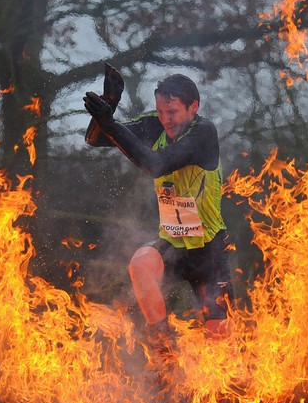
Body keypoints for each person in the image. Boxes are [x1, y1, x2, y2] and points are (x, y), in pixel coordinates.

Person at [83, 63, 234, 343]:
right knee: (139, 264)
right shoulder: (155, 124)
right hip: (172, 244)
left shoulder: (204, 134)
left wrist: (111, 122)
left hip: (208, 250)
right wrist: (109, 105)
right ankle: (164, 349)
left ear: (193, 107)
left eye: (173, 112)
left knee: (222, 349)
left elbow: (156, 164)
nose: (167, 120)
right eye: (162, 112)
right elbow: (95, 139)